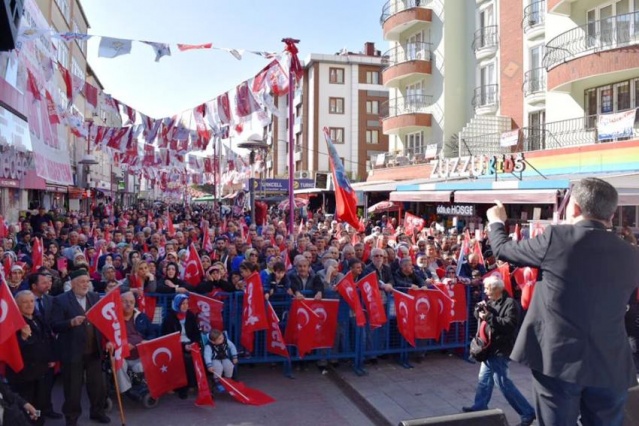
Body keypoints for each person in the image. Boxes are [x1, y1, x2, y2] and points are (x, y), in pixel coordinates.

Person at [486, 177, 639, 426]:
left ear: (575, 208)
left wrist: (496, 222)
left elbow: (503, 250)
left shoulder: (556, 238)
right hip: (611, 364)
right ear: (612, 215)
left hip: (558, 361)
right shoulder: (632, 255)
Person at [462, 276, 536, 426]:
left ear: (497, 289)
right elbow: (479, 317)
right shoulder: (490, 301)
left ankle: (527, 412)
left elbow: (509, 325)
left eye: (487, 288)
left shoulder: (511, 304)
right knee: (484, 379)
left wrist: (489, 317)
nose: (485, 291)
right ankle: (480, 406)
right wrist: (478, 311)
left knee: (502, 382)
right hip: (488, 348)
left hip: (501, 348)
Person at [51, 269, 110, 426]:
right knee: (72, 389)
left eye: (88, 281)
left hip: (94, 351)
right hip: (72, 353)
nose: (86, 284)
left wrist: (109, 340)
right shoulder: (60, 300)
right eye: (82, 281)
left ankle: (97, 412)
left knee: (97, 386)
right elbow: (54, 325)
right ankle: (71, 418)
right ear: (73, 283)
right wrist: (70, 322)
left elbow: (103, 322)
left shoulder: (94, 297)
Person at [6, 290, 56, 426]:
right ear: (17, 304)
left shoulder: (38, 317)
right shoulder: (12, 323)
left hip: (40, 371)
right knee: (26, 405)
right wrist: (23, 338)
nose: (29, 305)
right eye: (25, 302)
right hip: (23, 375)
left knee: (39, 403)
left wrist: (51, 357)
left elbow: (47, 339)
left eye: (32, 301)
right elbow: (10, 350)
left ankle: (39, 422)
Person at [114, 291, 158, 395]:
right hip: (122, 355)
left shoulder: (141, 317)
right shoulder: (114, 318)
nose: (128, 304)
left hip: (140, 354)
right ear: (119, 303)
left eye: (131, 302)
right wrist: (123, 345)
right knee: (117, 362)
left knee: (149, 362)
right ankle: (127, 390)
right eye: (125, 301)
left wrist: (146, 341)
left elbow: (152, 333)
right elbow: (109, 338)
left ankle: (144, 386)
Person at [160, 293, 200, 399]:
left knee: (197, 355)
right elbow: (167, 338)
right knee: (185, 358)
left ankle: (195, 383)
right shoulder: (169, 318)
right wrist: (183, 346)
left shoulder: (190, 315)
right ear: (177, 304)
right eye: (183, 304)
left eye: (187, 303)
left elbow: (196, 333)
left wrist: (194, 343)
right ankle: (183, 387)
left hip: (190, 342)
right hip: (175, 345)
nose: (185, 306)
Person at [204, 329, 238, 393]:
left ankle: (228, 380)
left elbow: (232, 347)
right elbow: (207, 356)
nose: (222, 339)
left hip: (224, 357)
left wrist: (234, 356)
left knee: (229, 366)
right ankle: (217, 381)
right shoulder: (208, 346)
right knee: (218, 367)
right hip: (214, 359)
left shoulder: (225, 341)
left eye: (222, 337)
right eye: (219, 339)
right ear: (213, 342)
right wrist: (209, 365)